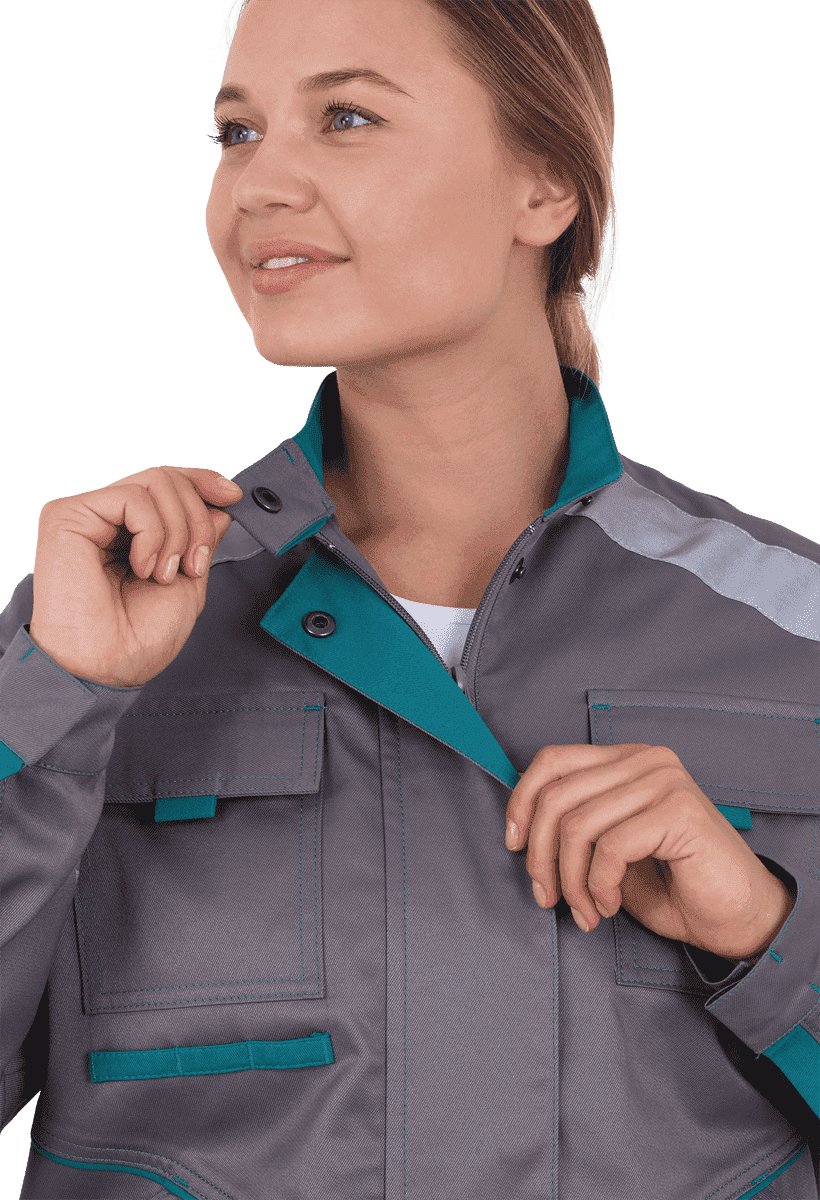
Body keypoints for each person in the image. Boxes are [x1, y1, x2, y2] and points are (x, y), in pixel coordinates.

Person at [1, 0, 818, 1197]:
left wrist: (765, 934)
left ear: (545, 184)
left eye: (345, 117)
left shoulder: (794, 631)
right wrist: (56, 700)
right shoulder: (104, 623)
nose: (258, 186)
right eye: (236, 133)